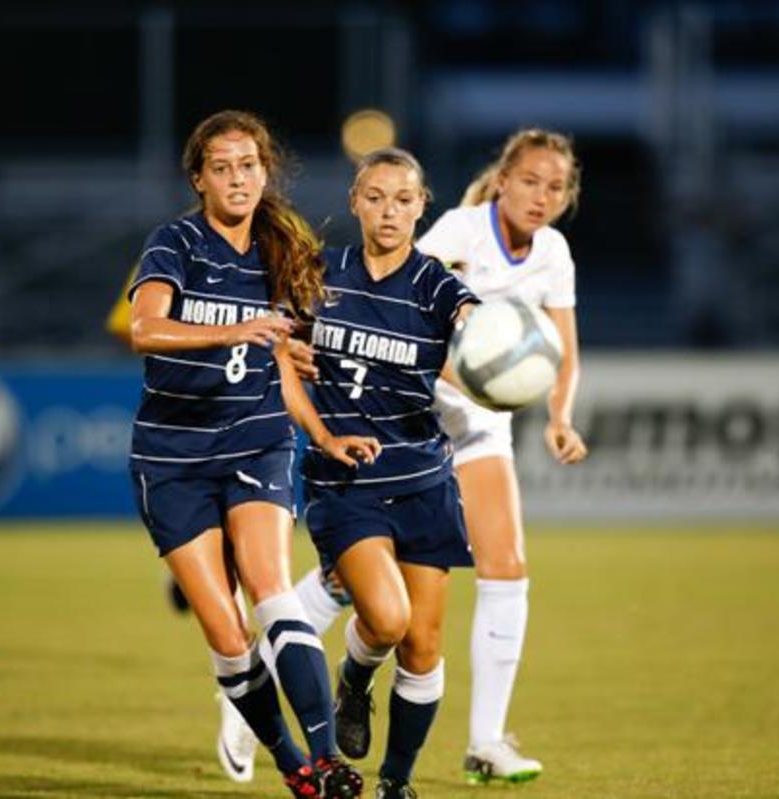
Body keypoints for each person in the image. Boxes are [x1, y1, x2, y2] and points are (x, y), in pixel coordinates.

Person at [126, 110, 379, 799]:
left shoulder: (282, 249)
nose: (237, 178)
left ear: (265, 173)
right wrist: (239, 329)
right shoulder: (175, 243)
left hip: (256, 439)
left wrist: (322, 430)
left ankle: (326, 762)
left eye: (248, 165)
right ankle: (289, 758)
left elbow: (287, 363)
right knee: (227, 633)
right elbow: (144, 329)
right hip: (172, 455)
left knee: (272, 587)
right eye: (222, 167)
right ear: (199, 179)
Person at [302, 148, 479, 799]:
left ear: (421, 204)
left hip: (424, 479)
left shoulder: (436, 284)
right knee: (385, 619)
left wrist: (498, 350)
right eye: (376, 196)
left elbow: (475, 329)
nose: (389, 211)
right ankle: (353, 679)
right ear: (354, 200)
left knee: (423, 645)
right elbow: (285, 350)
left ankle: (395, 782)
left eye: (403, 199)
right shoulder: (321, 275)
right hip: (345, 483)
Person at [416, 128, 589, 784]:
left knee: (507, 566)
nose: (541, 196)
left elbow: (565, 349)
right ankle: (256, 665)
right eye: (530, 181)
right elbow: (402, 304)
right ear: (504, 179)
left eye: (555, 186)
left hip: (480, 418)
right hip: (415, 405)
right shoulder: (461, 230)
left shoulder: (553, 252)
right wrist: (453, 369)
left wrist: (560, 417)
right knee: (362, 587)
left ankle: (486, 740)